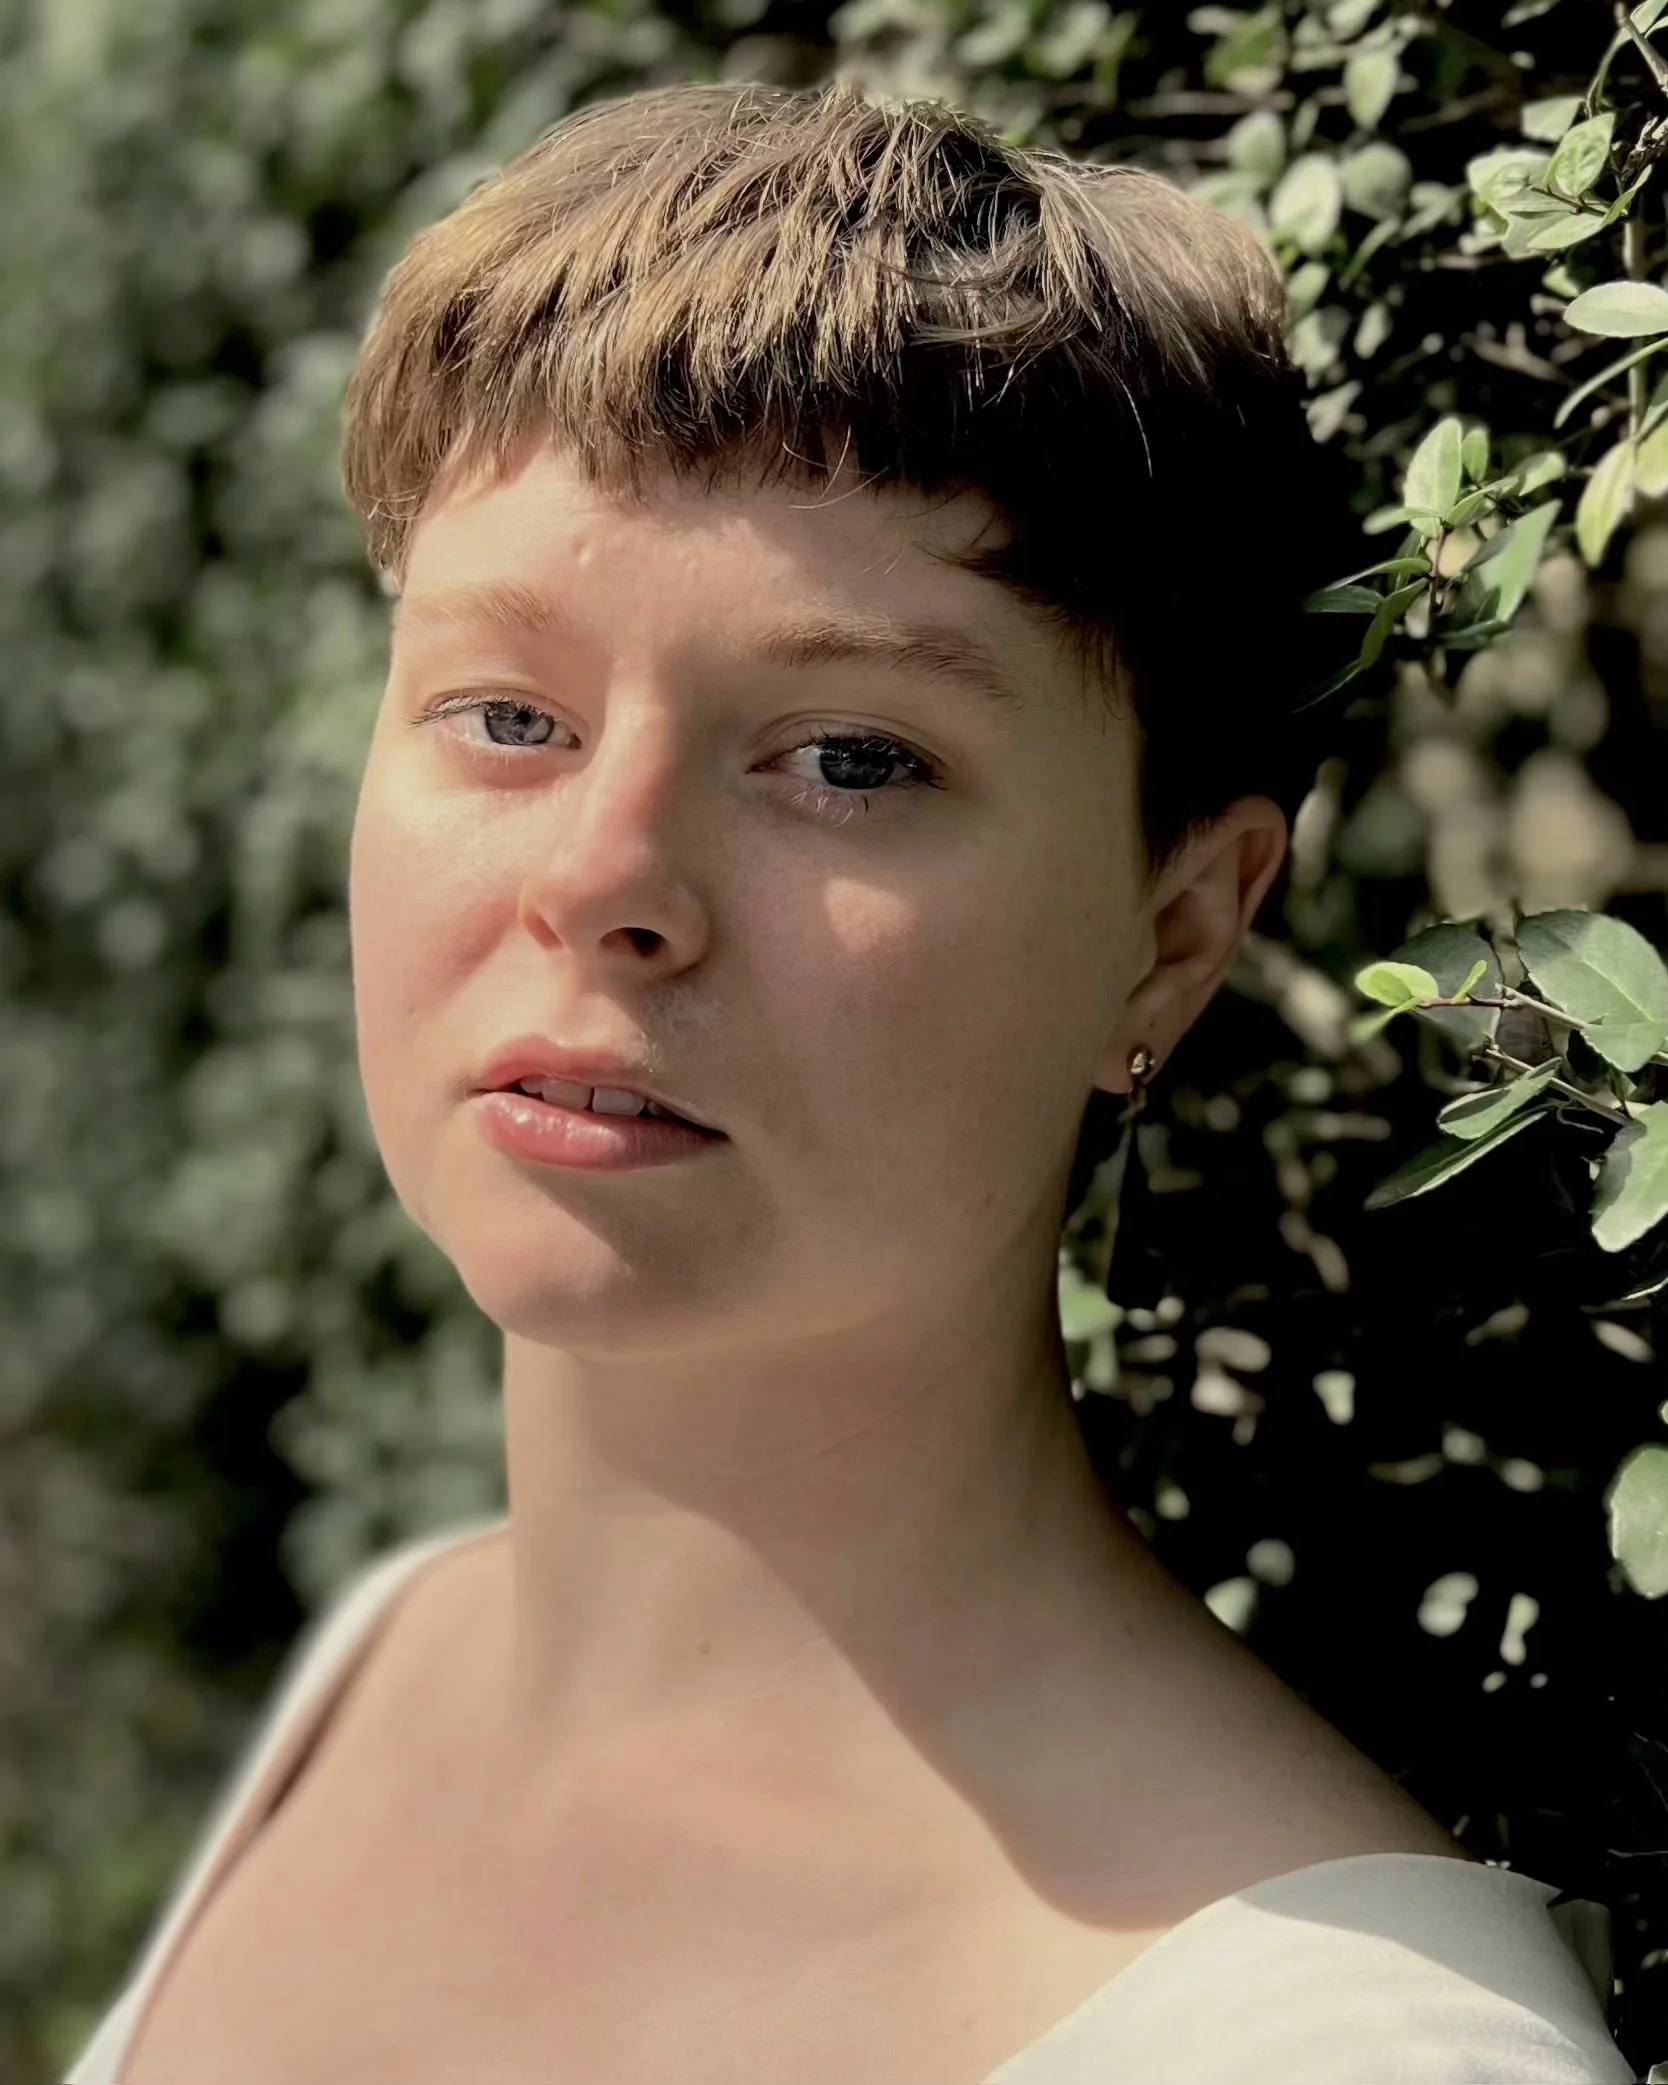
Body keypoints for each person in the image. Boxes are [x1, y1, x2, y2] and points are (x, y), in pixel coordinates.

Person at [69, 77, 1633, 2085]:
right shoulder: (393, 1651)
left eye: (852, 757)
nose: (604, 878)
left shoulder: (1345, 2054)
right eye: (509, 710)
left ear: (1175, 928)